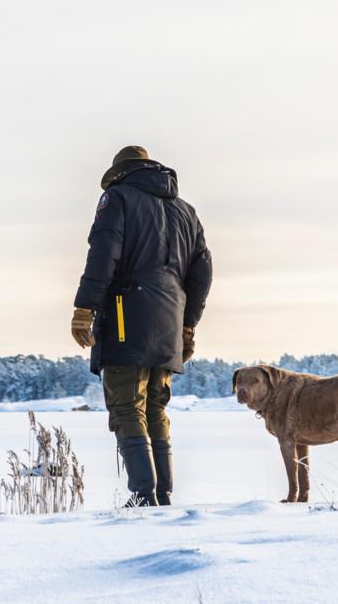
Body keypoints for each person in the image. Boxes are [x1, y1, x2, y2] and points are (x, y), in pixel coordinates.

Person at [71, 146, 213, 506]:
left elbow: (103, 253)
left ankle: (143, 496)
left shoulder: (116, 198)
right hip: (170, 317)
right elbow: (202, 270)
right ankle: (162, 494)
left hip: (125, 314)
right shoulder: (186, 211)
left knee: (126, 406)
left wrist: (84, 308)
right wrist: (188, 325)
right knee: (155, 407)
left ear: (120, 172)